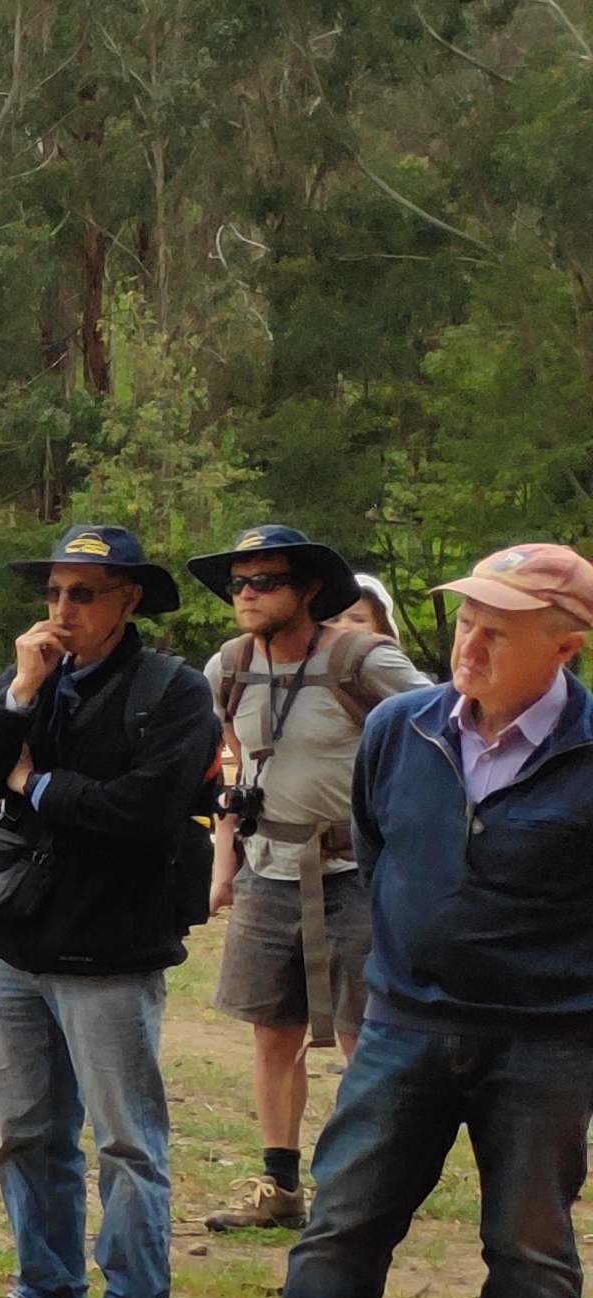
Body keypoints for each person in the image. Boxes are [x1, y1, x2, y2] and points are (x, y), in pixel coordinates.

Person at [180, 542, 593, 1298]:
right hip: (405, 1019)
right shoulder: (404, 728)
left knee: (529, 1243)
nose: (473, 642)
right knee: (341, 1222)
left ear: (566, 646)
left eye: (502, 629)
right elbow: (377, 842)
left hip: (546, 1037)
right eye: (468, 620)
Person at [0, 524, 222, 1298]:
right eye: (54, 593)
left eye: (83, 593)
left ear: (129, 600)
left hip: (113, 950)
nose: (62, 610)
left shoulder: (173, 694)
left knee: (127, 1142)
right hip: (17, 947)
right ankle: (45, 1292)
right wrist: (21, 695)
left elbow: (141, 811)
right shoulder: (34, 680)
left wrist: (39, 784)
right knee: (26, 1131)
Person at [185, 523, 430, 1231]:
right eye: (238, 583)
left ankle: (362, 1191)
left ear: (309, 591)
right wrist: (225, 859)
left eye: (265, 582)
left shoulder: (363, 658)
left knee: (364, 1038)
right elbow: (231, 762)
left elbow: (443, 728)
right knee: (272, 1033)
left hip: (357, 872)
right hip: (269, 870)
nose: (247, 594)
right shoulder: (228, 666)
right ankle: (280, 1186)